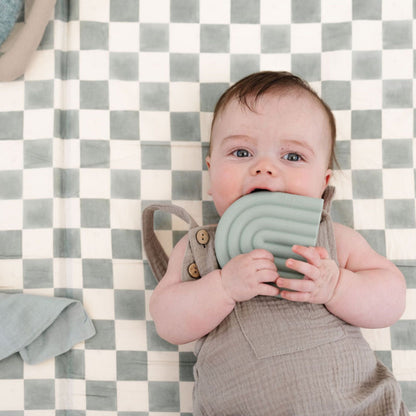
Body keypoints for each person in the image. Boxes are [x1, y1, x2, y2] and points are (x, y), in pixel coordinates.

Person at [145, 71, 408, 415]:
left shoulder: (334, 240)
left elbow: (392, 299)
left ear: (323, 182)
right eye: (241, 152)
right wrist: (222, 287)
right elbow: (167, 322)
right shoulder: (200, 249)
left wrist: (338, 286)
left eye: (293, 156)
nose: (264, 168)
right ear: (211, 172)